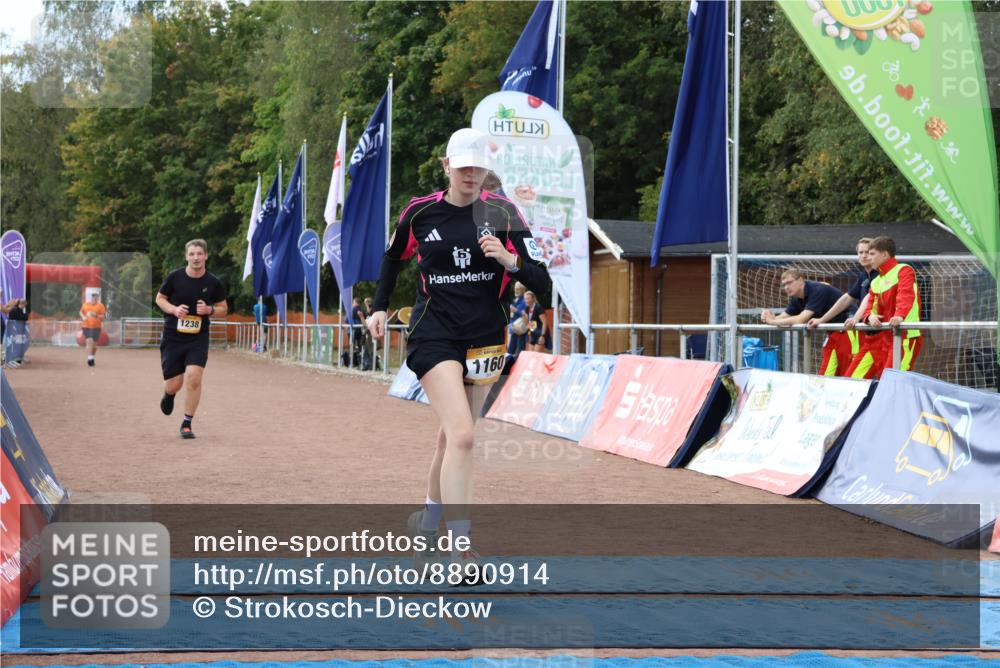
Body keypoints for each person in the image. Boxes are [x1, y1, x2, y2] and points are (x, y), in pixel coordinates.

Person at [366, 128, 548, 574]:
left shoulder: (505, 213)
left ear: (487, 169)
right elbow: (393, 258)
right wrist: (379, 306)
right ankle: (460, 548)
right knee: (465, 436)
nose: (470, 173)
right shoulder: (420, 212)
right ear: (446, 166)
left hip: (486, 337)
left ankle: (427, 526)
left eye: (477, 166)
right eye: (461, 165)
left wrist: (510, 262)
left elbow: (544, 283)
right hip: (435, 334)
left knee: (452, 438)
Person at [155, 239, 228, 439]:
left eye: (199, 254)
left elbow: (224, 308)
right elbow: (160, 299)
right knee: (174, 384)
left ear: (206, 256)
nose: (196, 258)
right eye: (192, 254)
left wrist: (210, 310)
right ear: (187, 256)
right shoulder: (175, 278)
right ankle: (169, 395)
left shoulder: (213, 282)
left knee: (194, 378)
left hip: (198, 338)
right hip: (173, 336)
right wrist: (174, 310)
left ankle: (187, 422)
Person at [844, 236, 922, 379]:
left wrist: (900, 315)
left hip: (905, 336)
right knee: (852, 380)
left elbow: (906, 295)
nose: (868, 257)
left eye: (872, 254)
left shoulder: (904, 270)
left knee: (891, 383)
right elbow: (869, 308)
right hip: (884, 338)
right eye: (864, 253)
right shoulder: (876, 281)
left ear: (885, 254)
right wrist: (869, 317)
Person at [806, 237, 879, 374]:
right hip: (870, 337)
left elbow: (869, 298)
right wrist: (822, 320)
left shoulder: (880, 274)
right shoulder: (864, 276)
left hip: (883, 335)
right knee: (853, 379)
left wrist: (855, 318)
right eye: (860, 252)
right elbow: (846, 298)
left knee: (886, 381)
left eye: (868, 252)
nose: (864, 255)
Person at [760, 268, 851, 376]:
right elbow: (784, 316)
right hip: (834, 333)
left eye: (789, 282)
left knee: (848, 374)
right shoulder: (796, 297)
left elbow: (800, 319)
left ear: (801, 280)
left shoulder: (817, 290)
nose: (787, 287)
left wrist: (772, 322)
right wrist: (768, 317)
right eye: (784, 284)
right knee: (826, 375)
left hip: (850, 330)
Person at [79, 291, 107, 367]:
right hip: (86, 326)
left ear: (98, 297)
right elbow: (81, 312)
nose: (95, 297)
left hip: (96, 327)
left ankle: (92, 356)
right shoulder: (85, 305)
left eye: (96, 296)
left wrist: (96, 315)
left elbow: (104, 317)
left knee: (94, 345)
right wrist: (83, 317)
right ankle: (90, 358)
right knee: (89, 340)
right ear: (90, 297)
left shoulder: (100, 306)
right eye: (93, 296)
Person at [506, 281, 527, 358]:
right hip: (514, 328)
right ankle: (508, 367)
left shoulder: (525, 301)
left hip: (520, 329)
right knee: (510, 351)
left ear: (523, 290)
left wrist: (516, 310)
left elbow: (526, 315)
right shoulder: (515, 300)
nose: (516, 291)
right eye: (515, 289)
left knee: (520, 352)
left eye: (518, 289)